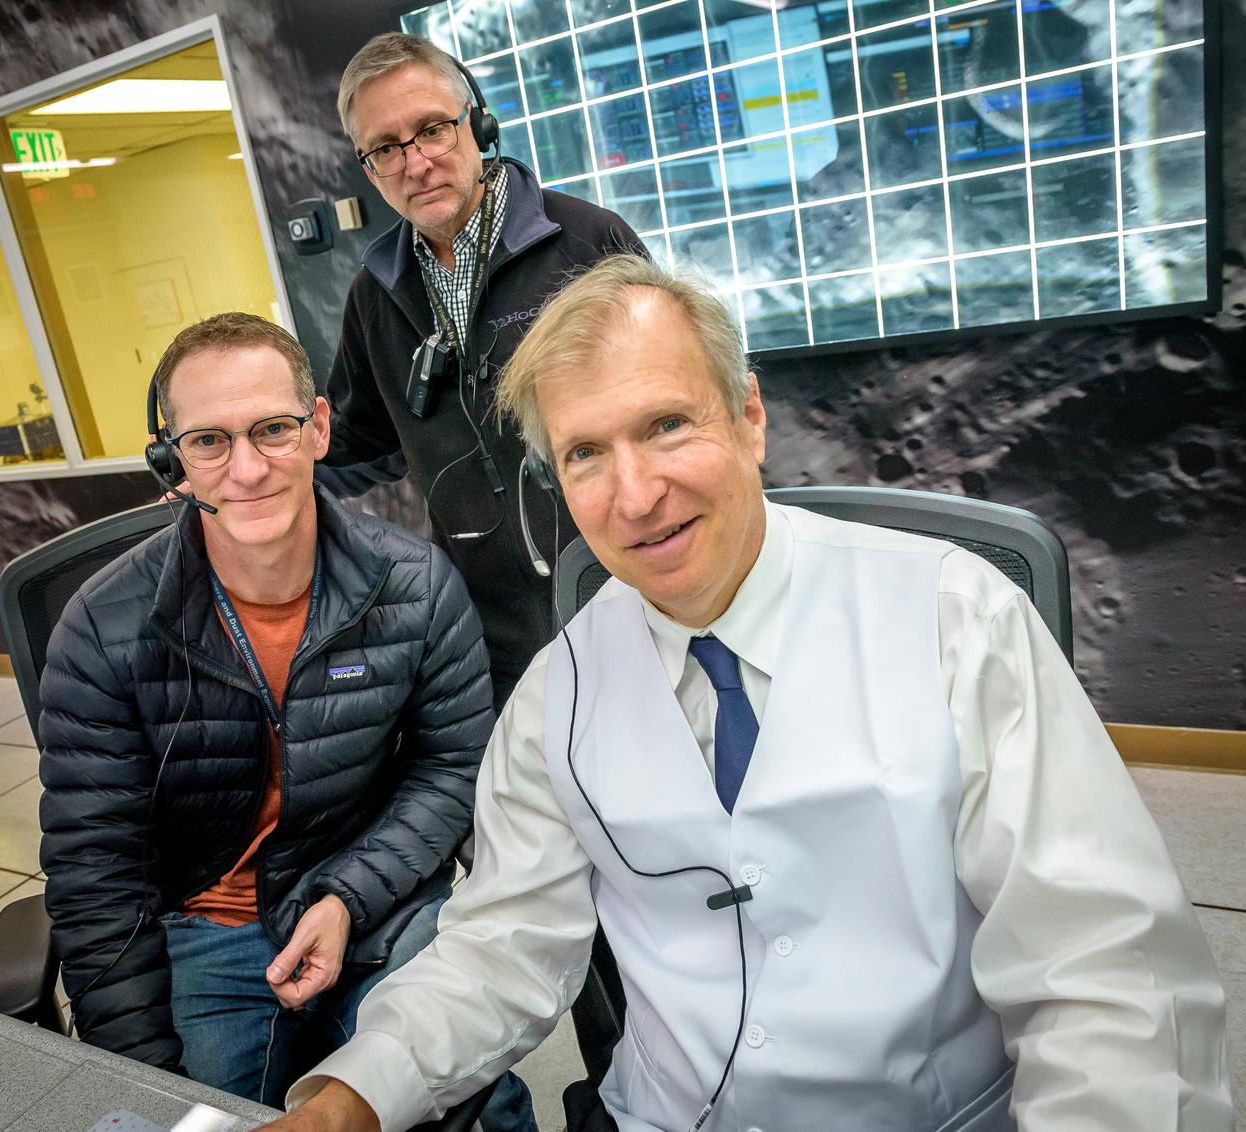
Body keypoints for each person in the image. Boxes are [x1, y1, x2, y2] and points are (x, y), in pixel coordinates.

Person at [264, 257, 1233, 1132]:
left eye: (664, 424)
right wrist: (348, 1099)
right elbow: (497, 948)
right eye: (584, 454)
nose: (633, 494)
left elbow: (1103, 972)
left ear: (748, 418)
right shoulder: (554, 696)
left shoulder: (951, 616)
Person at [38, 313, 494, 1110]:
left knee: (469, 1089)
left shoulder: (416, 586)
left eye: (272, 429)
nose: (245, 468)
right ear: (170, 462)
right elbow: (95, 871)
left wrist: (347, 896)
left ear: (318, 428)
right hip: (206, 926)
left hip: (369, 892)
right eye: (209, 441)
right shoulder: (102, 625)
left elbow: (453, 768)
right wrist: (145, 1082)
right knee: (200, 1115)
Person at [324, 32, 645, 707]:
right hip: (485, 631)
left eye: (432, 129)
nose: (416, 162)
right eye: (386, 147)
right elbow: (358, 446)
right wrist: (256, 462)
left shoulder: (588, 242)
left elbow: (676, 403)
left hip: (626, 593)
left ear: (477, 124)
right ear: (370, 166)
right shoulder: (375, 295)